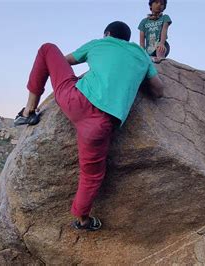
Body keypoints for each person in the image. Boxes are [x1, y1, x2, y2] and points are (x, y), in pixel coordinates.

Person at [14, 21, 164, 231]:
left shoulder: (99, 43)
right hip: (101, 123)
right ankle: (82, 219)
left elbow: (62, 62)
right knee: (92, 174)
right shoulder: (141, 55)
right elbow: (158, 91)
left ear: (108, 34)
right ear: (128, 39)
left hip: (75, 100)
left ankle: (29, 110)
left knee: (47, 49)